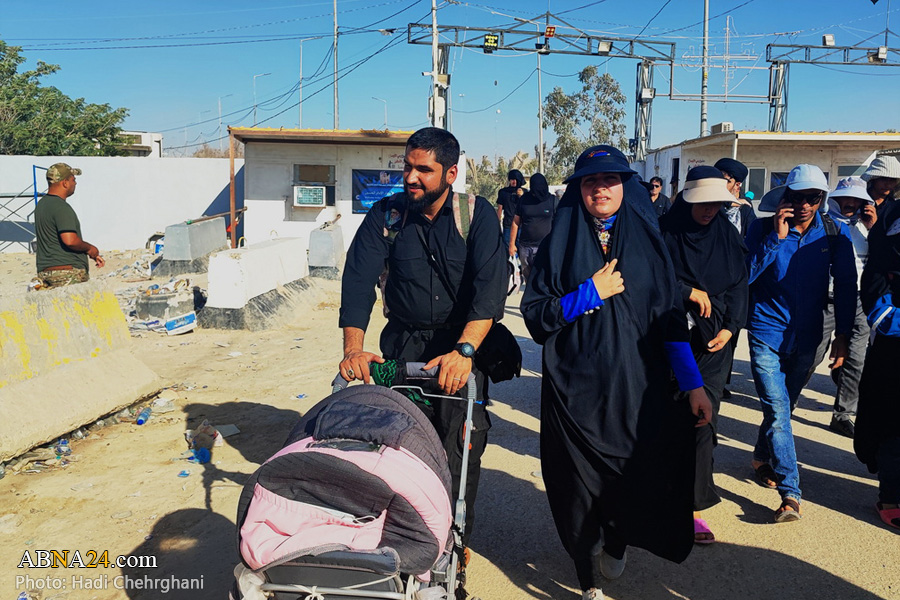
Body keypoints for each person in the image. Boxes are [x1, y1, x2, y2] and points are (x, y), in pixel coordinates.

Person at [521, 145, 711, 600]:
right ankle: (587, 581)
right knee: (576, 490)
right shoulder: (557, 244)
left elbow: (669, 321)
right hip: (574, 394)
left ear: (626, 186)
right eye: (590, 181)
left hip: (635, 393)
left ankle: (619, 539)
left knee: (632, 481)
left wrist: (693, 384)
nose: (600, 188)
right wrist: (589, 292)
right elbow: (535, 316)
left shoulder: (651, 246)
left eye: (610, 180)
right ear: (579, 189)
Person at [338, 127, 506, 550]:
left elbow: (490, 288)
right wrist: (353, 349)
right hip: (403, 348)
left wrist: (465, 351)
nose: (411, 178)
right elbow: (357, 283)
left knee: (460, 451)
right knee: (396, 448)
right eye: (408, 167)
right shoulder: (386, 217)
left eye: (423, 170)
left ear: (450, 174)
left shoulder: (477, 215)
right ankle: (402, 538)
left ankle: (452, 542)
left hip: (459, 353)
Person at [745, 164, 857, 522]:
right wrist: (774, 240)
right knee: (778, 413)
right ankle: (791, 493)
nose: (805, 204)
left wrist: (842, 336)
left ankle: (763, 456)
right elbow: (741, 277)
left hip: (809, 337)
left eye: (813, 197)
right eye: (798, 197)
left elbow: (846, 289)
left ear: (822, 199)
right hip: (765, 332)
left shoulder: (835, 234)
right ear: (786, 196)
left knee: (784, 409)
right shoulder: (762, 228)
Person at [660, 167, 748, 545]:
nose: (710, 210)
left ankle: (693, 506)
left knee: (702, 420)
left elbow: (740, 284)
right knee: (666, 419)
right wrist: (687, 291)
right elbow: (651, 279)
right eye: (702, 203)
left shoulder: (727, 235)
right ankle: (659, 491)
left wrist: (731, 328)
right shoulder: (663, 232)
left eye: (717, 203)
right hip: (667, 340)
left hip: (714, 345)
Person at [807, 177, 876, 438]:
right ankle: (788, 398)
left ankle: (843, 414)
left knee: (857, 359)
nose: (850, 203)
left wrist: (874, 228)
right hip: (826, 298)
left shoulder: (868, 227)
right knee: (812, 354)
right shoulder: (823, 224)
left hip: (860, 299)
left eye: (856, 199)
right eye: (845, 198)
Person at [857, 177, 900, 532]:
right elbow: (876, 278)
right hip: (894, 344)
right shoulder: (892, 219)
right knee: (893, 422)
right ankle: (892, 495)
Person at [34, 162, 104, 287]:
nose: (75, 183)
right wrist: (90, 249)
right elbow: (70, 240)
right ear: (65, 183)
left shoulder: (41, 205)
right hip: (67, 273)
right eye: (73, 180)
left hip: (45, 273)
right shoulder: (61, 207)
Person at [508, 172, 555, 285]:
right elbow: (515, 222)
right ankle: (530, 298)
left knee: (543, 279)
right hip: (525, 247)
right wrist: (512, 244)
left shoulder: (553, 201)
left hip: (545, 247)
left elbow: (560, 224)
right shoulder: (524, 200)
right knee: (529, 279)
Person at [497, 169, 526, 248]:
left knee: (521, 248)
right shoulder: (503, 192)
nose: (514, 182)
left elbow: (528, 208)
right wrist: (497, 223)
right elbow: (500, 208)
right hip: (508, 224)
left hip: (521, 225)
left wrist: (522, 196)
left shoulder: (525, 192)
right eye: (512, 179)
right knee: (507, 247)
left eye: (516, 180)